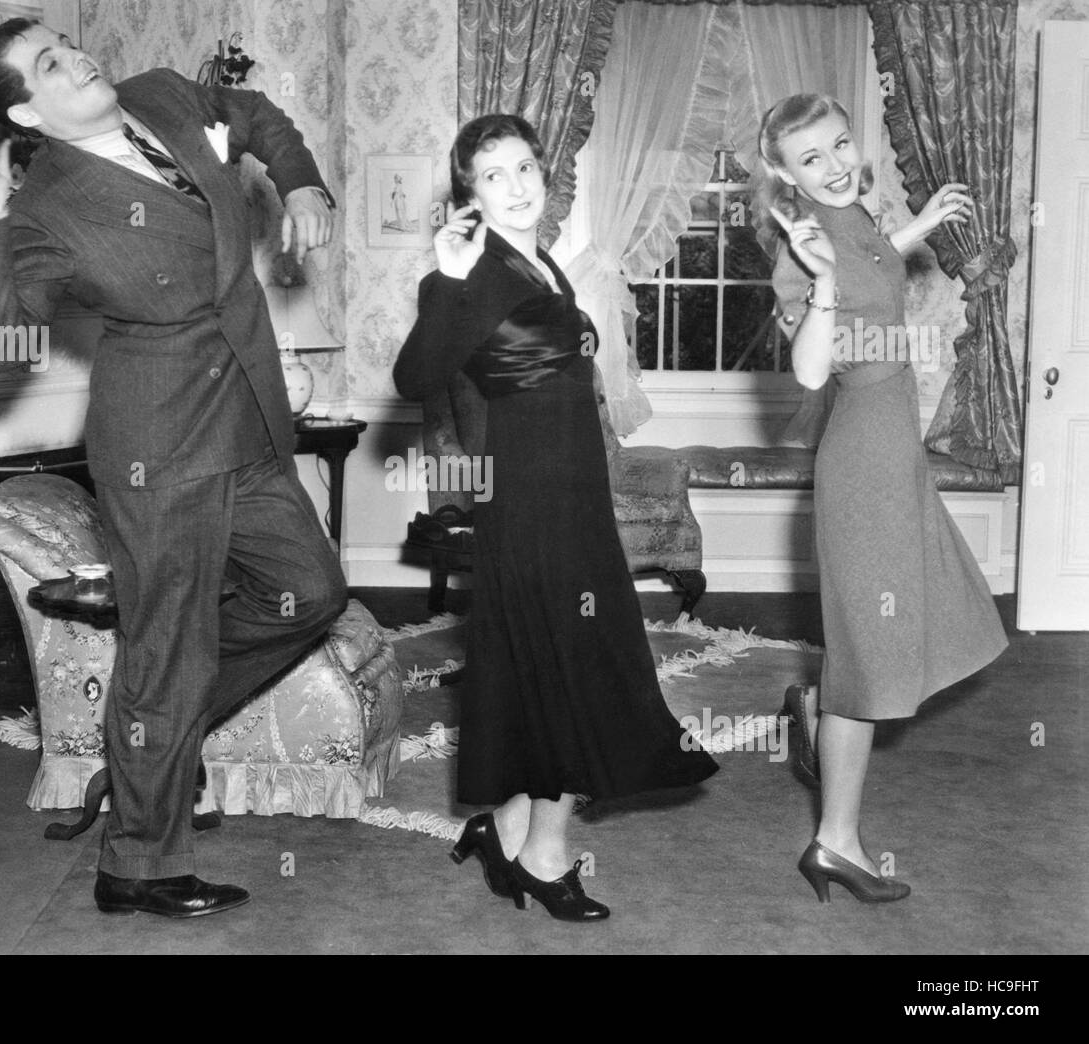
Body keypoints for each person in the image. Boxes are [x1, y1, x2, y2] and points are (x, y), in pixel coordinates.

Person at [0, 19, 347, 918]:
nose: (79, 56)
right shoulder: (44, 206)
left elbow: (250, 111)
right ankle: (137, 863)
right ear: (26, 109)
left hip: (247, 412)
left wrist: (302, 183)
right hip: (157, 444)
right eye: (51, 63)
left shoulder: (164, 93)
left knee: (310, 591)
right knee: (168, 645)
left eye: (67, 41)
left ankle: (152, 747)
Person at [393, 115, 718, 922]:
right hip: (532, 509)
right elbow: (414, 377)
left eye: (526, 166)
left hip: (573, 502)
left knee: (551, 668)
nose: (518, 184)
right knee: (576, 668)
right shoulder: (473, 270)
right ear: (469, 192)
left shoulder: (543, 266)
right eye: (494, 174)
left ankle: (504, 824)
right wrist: (447, 283)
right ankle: (542, 854)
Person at [752, 94, 1008, 903]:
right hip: (862, 460)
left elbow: (872, 260)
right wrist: (823, 281)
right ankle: (835, 840)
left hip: (894, 448)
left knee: (926, 617)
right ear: (784, 177)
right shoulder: (803, 248)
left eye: (838, 145)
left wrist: (920, 224)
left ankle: (818, 713)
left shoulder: (854, 212)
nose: (832, 167)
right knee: (869, 654)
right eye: (810, 161)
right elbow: (807, 371)